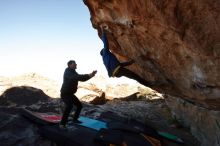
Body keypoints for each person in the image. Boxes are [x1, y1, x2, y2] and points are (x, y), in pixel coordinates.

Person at [59, 60, 97, 129]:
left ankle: (74, 119)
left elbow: (81, 78)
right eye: (74, 64)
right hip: (65, 94)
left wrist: (91, 75)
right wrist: (89, 75)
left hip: (70, 94)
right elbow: (76, 77)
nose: (76, 64)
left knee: (79, 106)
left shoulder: (73, 72)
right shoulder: (67, 72)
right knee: (69, 106)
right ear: (70, 65)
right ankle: (62, 124)